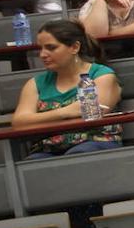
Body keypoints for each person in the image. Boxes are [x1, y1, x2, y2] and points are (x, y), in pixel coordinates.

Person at [11, 20, 122, 157]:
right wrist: (66, 112)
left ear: (75, 47)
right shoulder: (34, 83)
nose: (42, 54)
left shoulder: (101, 75)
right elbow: (19, 124)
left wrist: (39, 121)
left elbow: (94, 113)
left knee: (77, 155)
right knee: (33, 163)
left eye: (51, 48)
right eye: (40, 48)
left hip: (94, 143)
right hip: (47, 149)